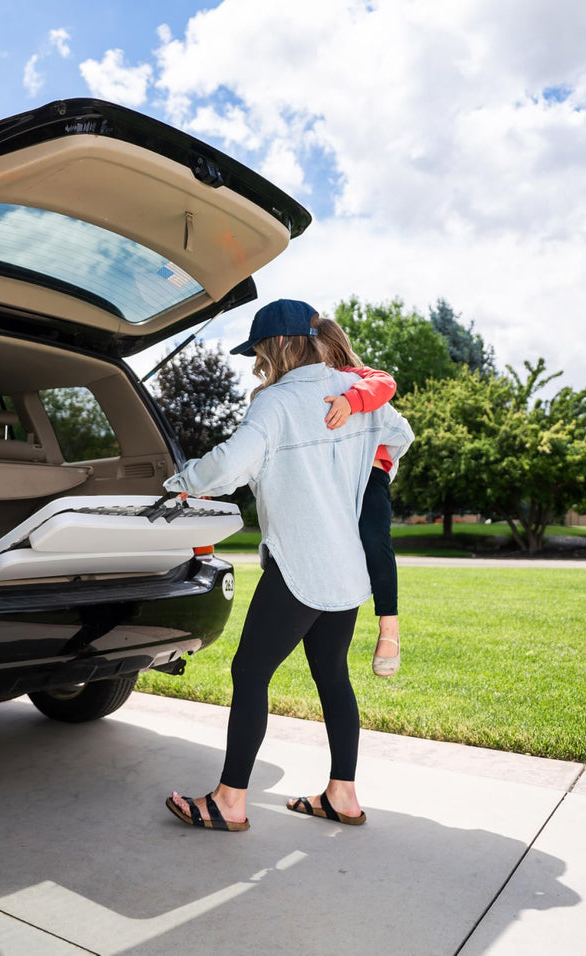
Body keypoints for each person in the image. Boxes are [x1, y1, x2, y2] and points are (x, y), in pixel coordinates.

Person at [163, 299, 414, 832]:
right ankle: (342, 795)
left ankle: (229, 801)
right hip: (347, 571)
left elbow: (228, 465)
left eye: (257, 350)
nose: (256, 361)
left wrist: (182, 481)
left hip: (300, 568)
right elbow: (401, 435)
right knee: (332, 676)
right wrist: (358, 474)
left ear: (275, 346)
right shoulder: (354, 394)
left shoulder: (275, 403)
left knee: (250, 673)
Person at [314, 319, 403, 677]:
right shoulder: (307, 386)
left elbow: (386, 383)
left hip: (370, 471)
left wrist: (352, 401)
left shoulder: (358, 375)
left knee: (374, 536)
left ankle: (389, 626)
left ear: (331, 346)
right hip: (333, 477)